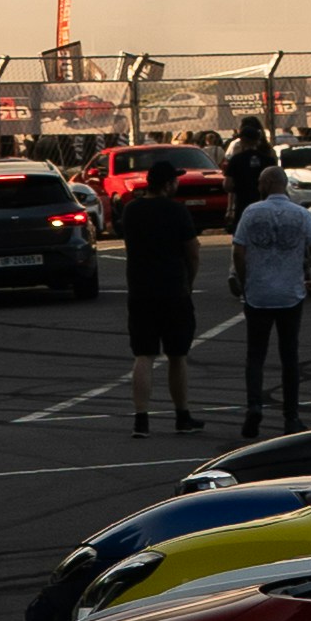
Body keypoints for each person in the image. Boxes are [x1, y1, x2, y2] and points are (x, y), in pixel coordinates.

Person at [229, 166, 311, 437]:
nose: (258, 185)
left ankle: (254, 406)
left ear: (268, 183)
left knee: (255, 355)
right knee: (289, 356)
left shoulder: (251, 212)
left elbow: (238, 249)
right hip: (290, 294)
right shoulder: (300, 214)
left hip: (259, 293)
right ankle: (291, 416)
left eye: (260, 181)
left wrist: (244, 278)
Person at [119, 159, 205, 438]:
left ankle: (141, 419)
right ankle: (182, 415)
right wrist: (189, 282)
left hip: (141, 289)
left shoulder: (132, 210)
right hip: (172, 289)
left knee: (143, 354)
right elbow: (192, 251)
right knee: (177, 355)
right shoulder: (177, 211)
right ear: (168, 184)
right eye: (175, 180)